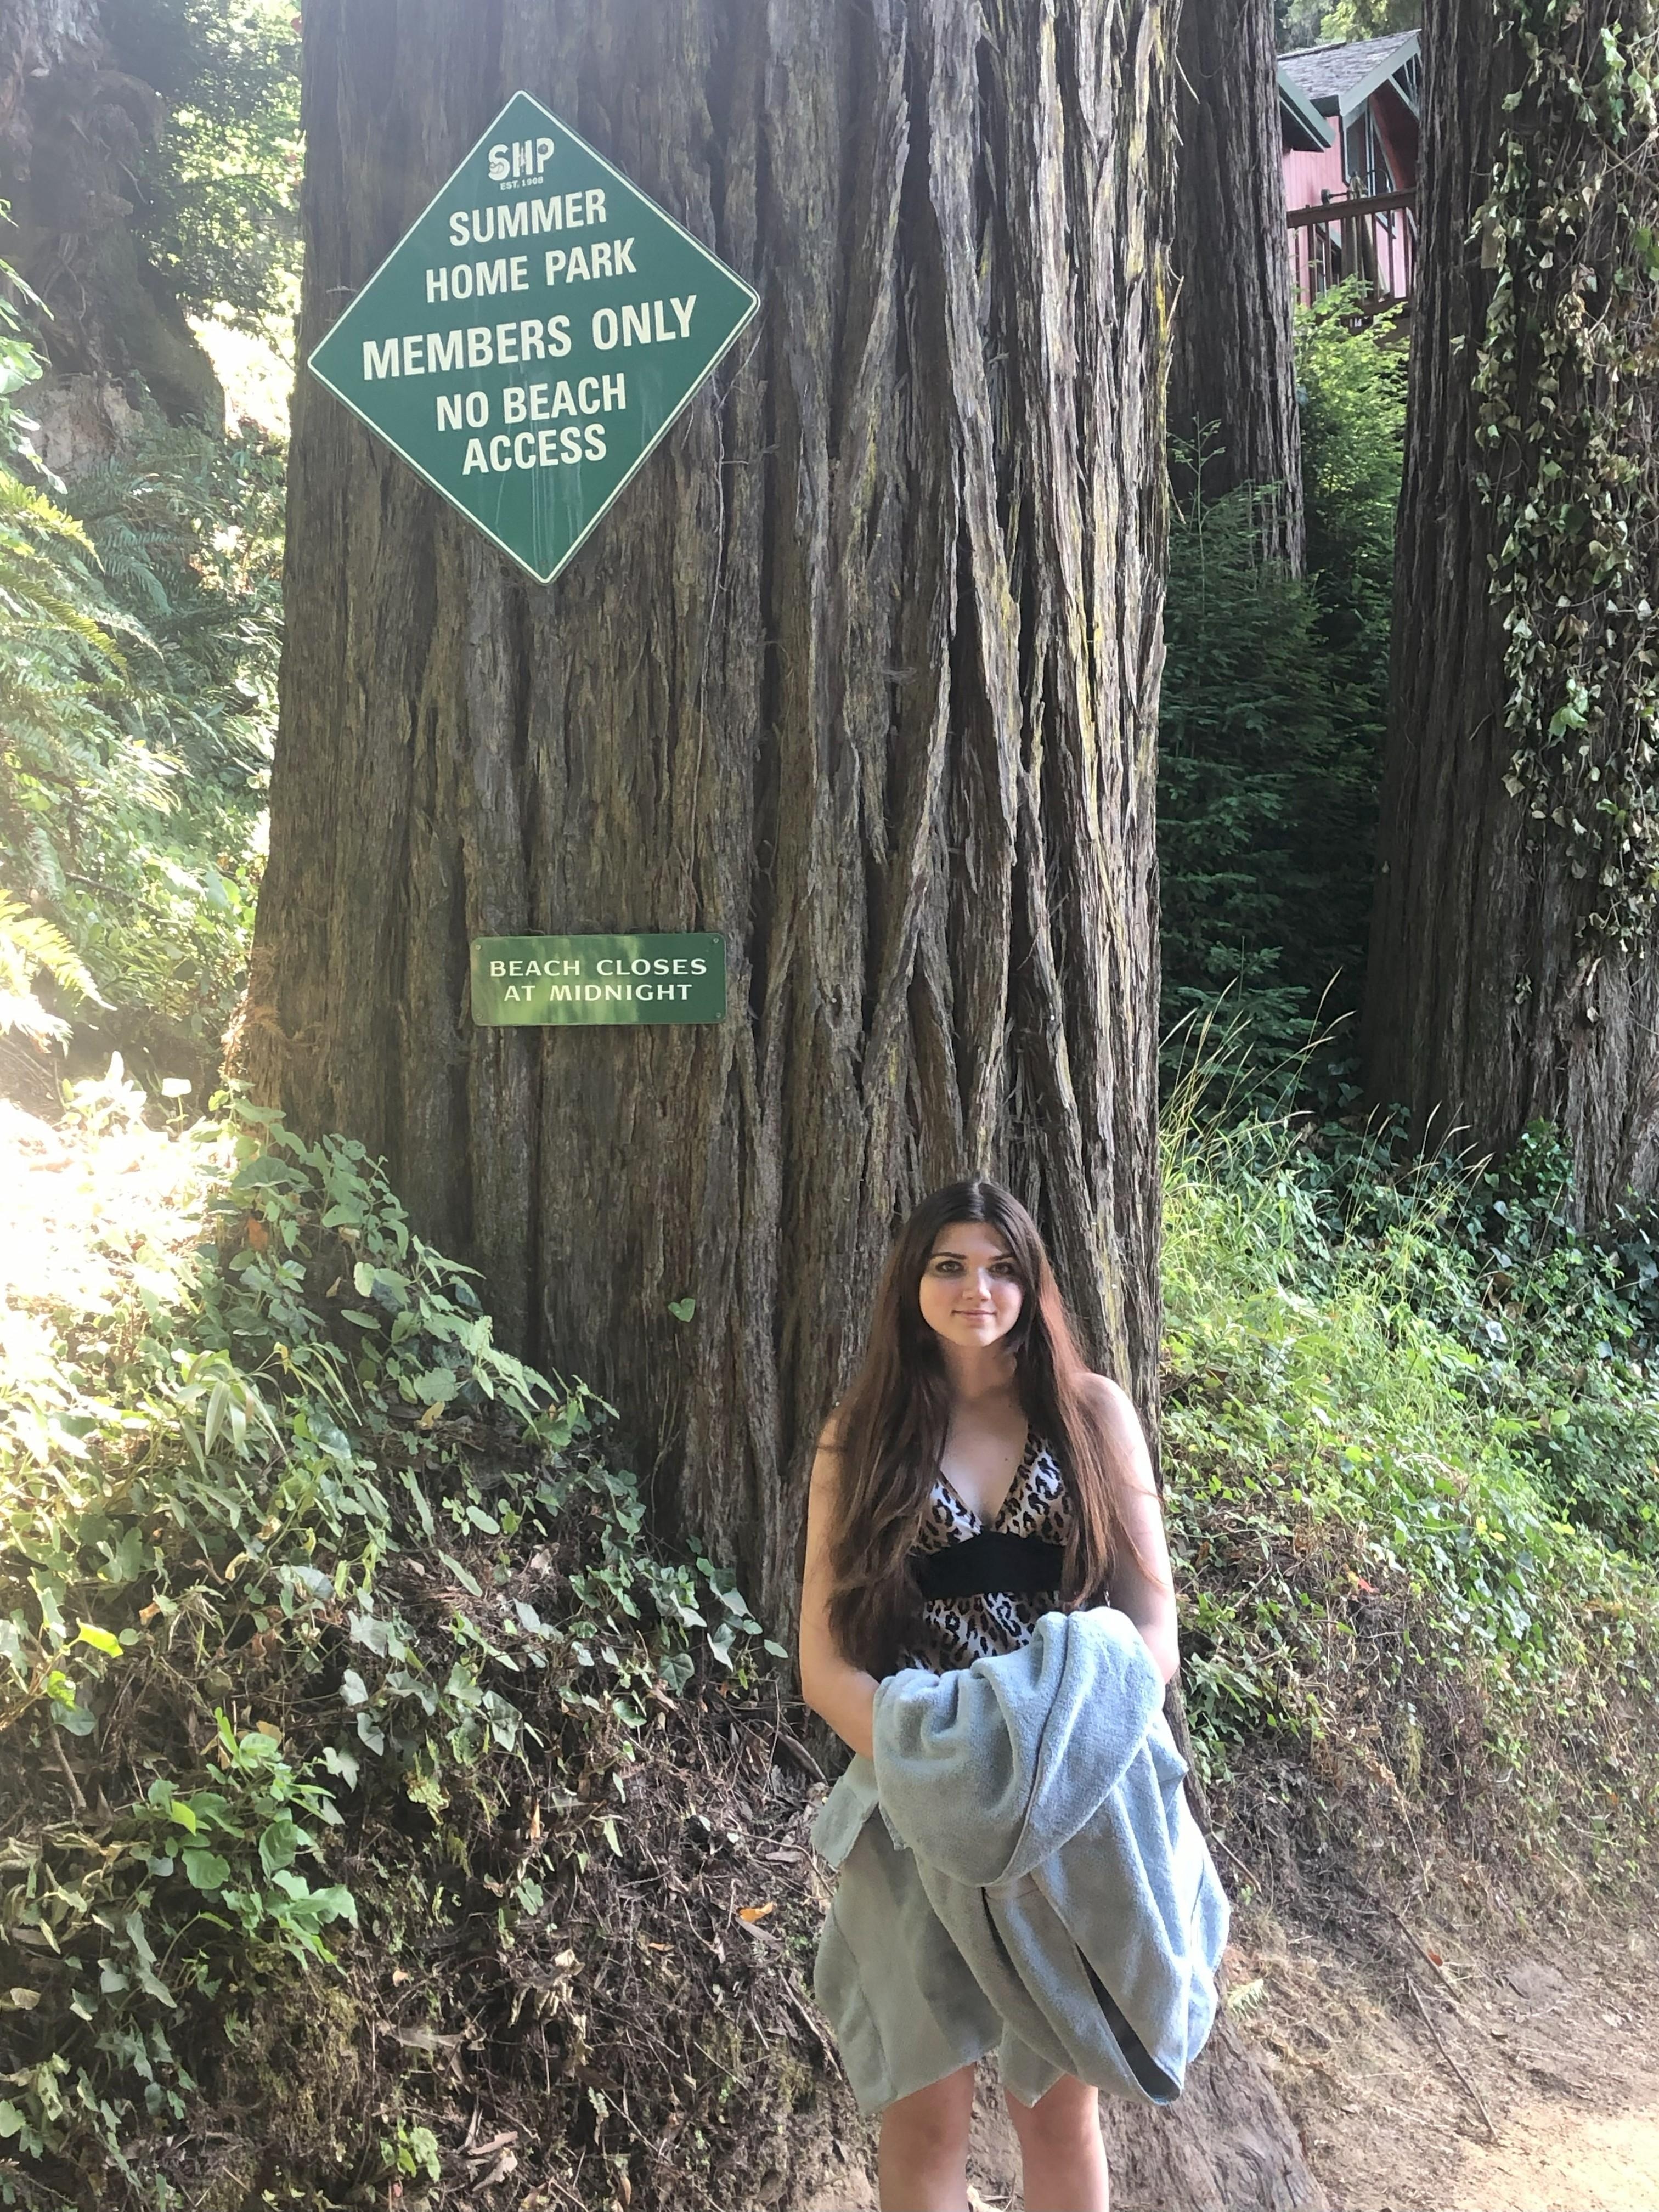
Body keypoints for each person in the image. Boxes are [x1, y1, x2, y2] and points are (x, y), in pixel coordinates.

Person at [797, 1175, 1180, 2212]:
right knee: (923, 2110)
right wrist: (934, 1770)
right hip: (913, 1800)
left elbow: (1156, 1632)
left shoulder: (1091, 1412)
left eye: (1003, 1268)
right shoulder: (861, 1435)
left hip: (1071, 1808)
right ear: (912, 1281)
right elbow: (824, 1664)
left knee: (1058, 2105)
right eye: (951, 1266)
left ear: (1032, 1281)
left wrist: (1062, 1763)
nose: (978, 1289)